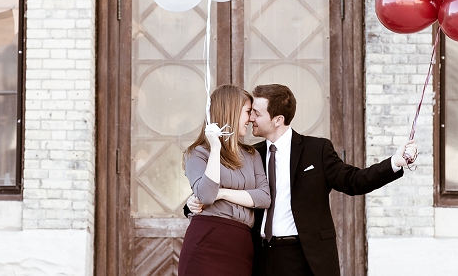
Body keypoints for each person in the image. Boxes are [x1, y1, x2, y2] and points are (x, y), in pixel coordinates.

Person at [188, 83, 418, 276]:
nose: (250, 119)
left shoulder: (316, 150)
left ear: (278, 119)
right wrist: (191, 204)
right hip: (258, 255)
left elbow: (354, 180)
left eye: (256, 113)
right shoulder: (251, 154)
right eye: (250, 113)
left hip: (305, 255)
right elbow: (216, 186)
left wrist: (394, 163)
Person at [179, 84, 271, 276]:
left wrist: (222, 193)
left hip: (241, 243)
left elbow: (264, 198)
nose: (251, 119)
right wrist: (215, 148)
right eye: (248, 112)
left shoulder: (251, 154)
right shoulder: (197, 153)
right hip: (207, 239)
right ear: (232, 112)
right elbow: (206, 195)